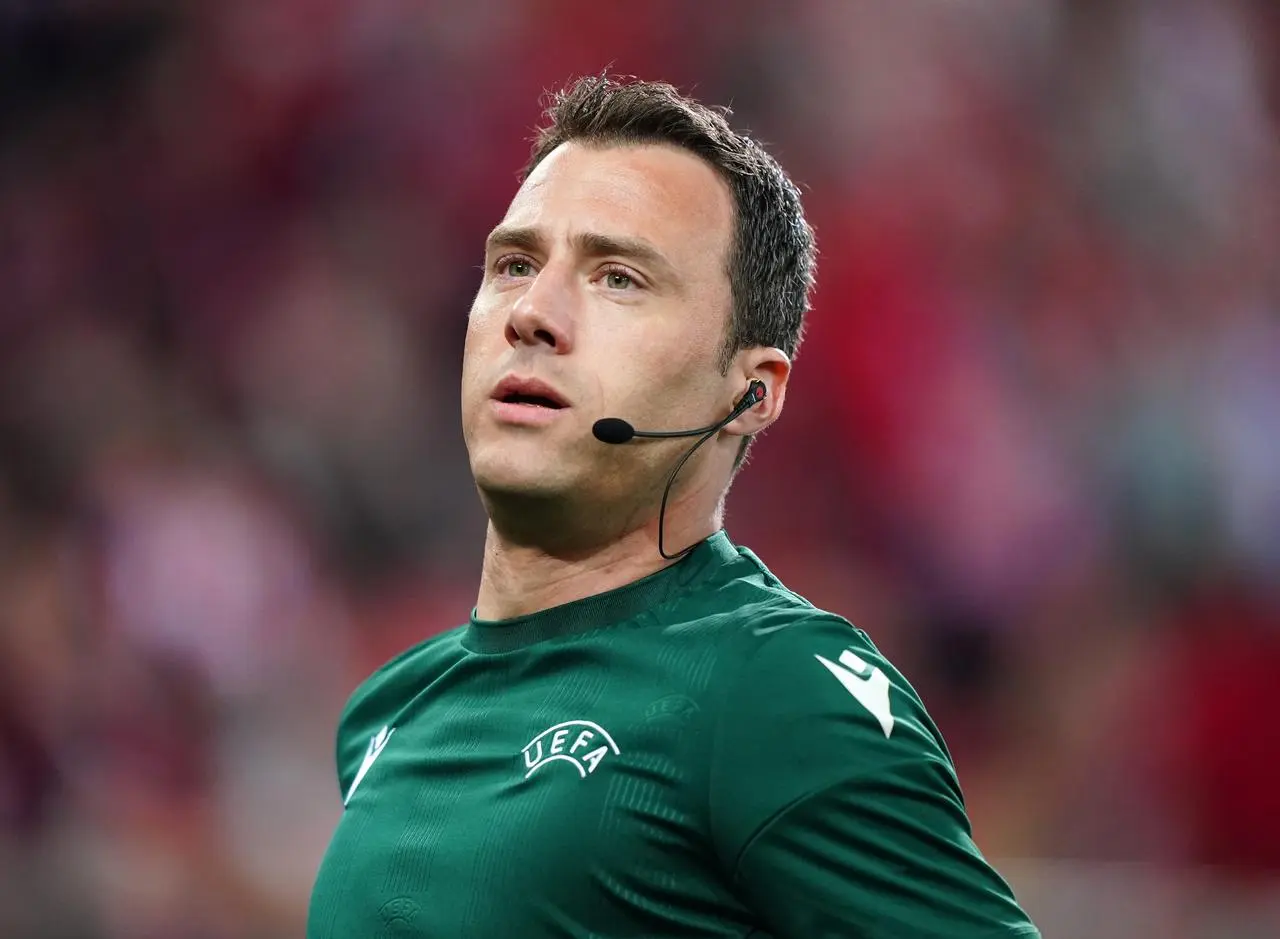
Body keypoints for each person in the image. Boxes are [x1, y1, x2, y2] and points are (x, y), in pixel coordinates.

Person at [307, 74, 1041, 939]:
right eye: (513, 264)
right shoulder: (390, 711)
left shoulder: (774, 692)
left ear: (752, 392)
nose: (533, 313)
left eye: (618, 278)